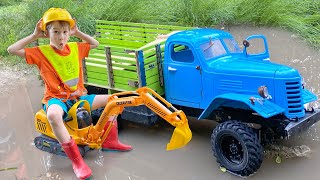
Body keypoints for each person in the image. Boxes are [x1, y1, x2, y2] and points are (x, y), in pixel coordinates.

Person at [7, 8, 132, 179]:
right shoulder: (41, 52)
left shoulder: (75, 47)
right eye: (56, 32)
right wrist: (34, 36)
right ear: (47, 32)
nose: (61, 37)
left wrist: (78, 32)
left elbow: (95, 44)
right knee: (53, 115)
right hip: (57, 100)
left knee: (114, 101)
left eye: (65, 32)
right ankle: (77, 161)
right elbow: (11, 50)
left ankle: (110, 141)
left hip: (79, 98)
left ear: (69, 32)